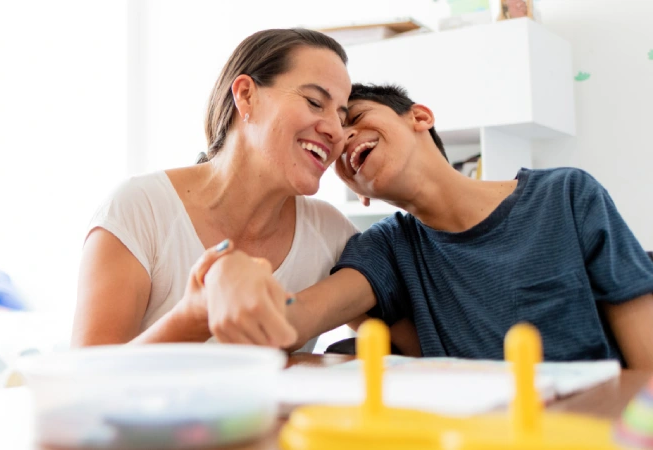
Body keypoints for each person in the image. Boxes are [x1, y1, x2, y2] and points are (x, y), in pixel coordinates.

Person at [202, 83, 653, 368]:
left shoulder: (566, 196)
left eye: (355, 119)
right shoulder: (388, 248)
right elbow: (297, 316)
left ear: (420, 117)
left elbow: (647, 363)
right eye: (338, 149)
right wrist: (226, 274)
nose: (347, 140)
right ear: (360, 191)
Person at [71, 28, 360, 350]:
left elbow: (408, 338)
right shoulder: (139, 208)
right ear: (246, 95)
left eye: (342, 116)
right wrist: (194, 316)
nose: (336, 131)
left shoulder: (331, 234)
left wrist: (395, 183)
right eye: (314, 102)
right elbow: (86, 381)